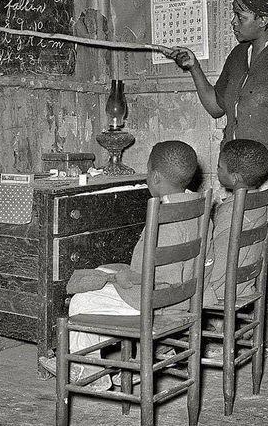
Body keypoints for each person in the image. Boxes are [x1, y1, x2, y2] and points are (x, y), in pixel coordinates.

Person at [163, 0, 268, 356]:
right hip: (232, 178)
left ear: (264, 19)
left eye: (241, 15)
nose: (234, 21)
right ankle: (229, 329)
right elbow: (216, 106)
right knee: (228, 252)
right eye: (235, 14)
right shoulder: (238, 55)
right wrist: (193, 67)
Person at [39, 140, 202, 391]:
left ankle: (89, 371)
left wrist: (122, 278)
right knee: (105, 273)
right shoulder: (199, 207)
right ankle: (128, 360)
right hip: (184, 298)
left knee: (83, 301)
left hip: (156, 302)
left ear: (155, 176)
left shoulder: (161, 215)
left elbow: (152, 279)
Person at [204, 138, 268, 305]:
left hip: (220, 289)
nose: (217, 170)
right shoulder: (260, 202)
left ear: (234, 178)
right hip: (244, 286)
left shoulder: (231, 210)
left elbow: (217, 260)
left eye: (220, 167)